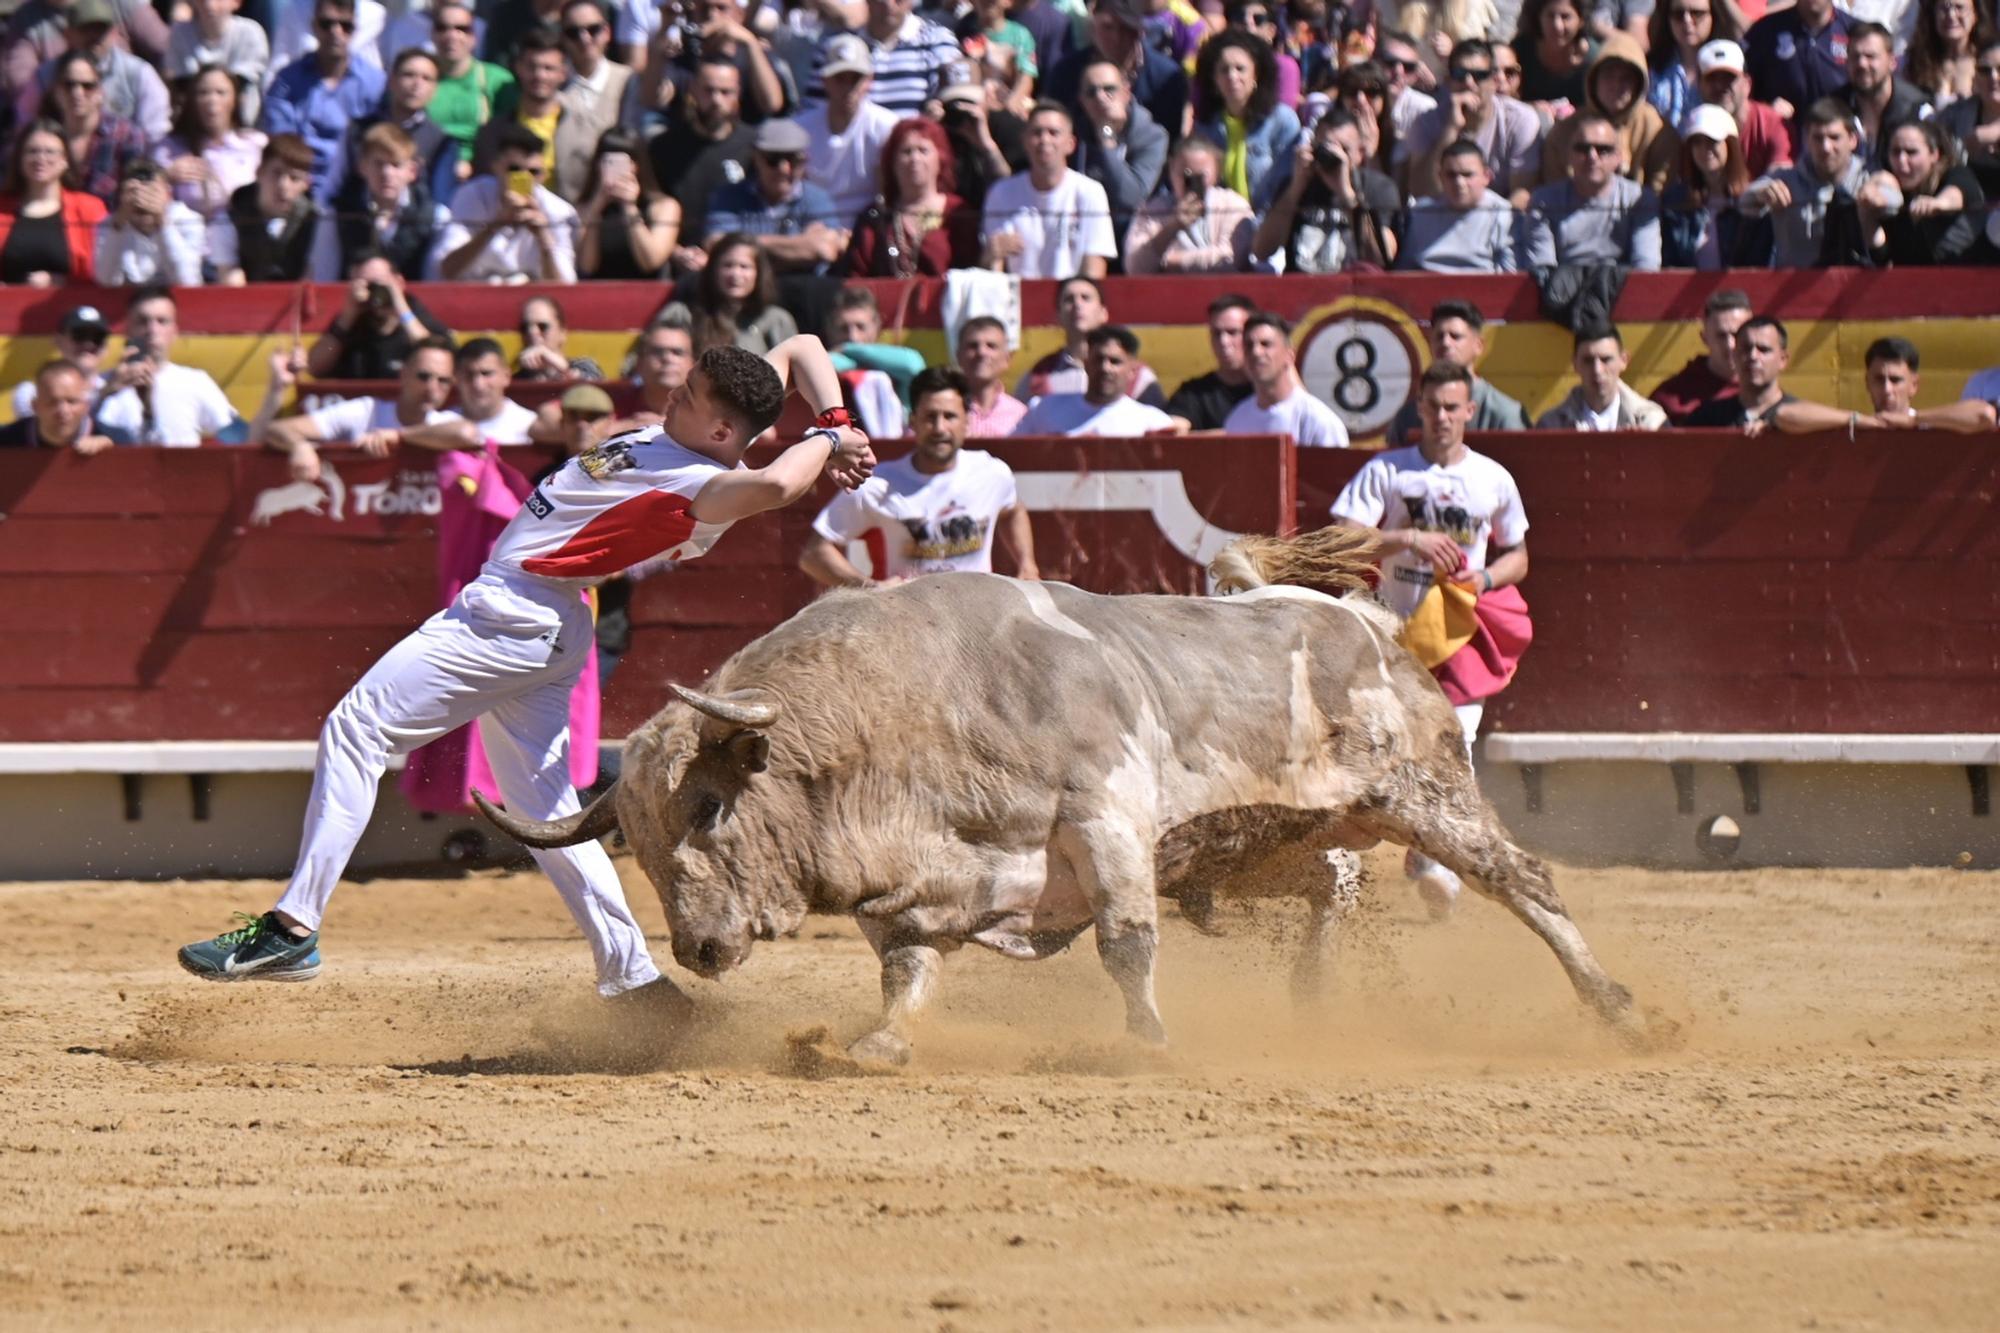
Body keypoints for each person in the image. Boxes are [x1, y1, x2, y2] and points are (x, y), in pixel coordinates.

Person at [174, 335, 878, 1007]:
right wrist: (839, 424)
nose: (671, 393)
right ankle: (631, 976)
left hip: (513, 611)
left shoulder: (705, 485)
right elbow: (802, 347)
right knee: (544, 810)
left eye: (687, 394)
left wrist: (826, 443)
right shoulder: (709, 435)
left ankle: (293, 926)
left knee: (356, 728)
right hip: (549, 621)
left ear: (722, 431)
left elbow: (779, 482)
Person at [1328, 358, 1530, 918]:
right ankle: (1366, 855)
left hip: (1457, 632)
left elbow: (1518, 555)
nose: (1442, 417)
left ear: (1470, 410)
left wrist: (1486, 578)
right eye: (1433, 406)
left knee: (1455, 748)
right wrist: (1407, 539)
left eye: (1452, 407)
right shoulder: (1389, 470)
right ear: (1419, 408)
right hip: (1390, 638)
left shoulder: (1493, 478)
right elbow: (1344, 538)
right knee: (1374, 749)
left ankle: (1436, 861)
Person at [803, 366, 1039, 587]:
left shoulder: (991, 473)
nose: (939, 428)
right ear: (913, 421)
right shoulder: (879, 484)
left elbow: (1013, 509)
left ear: (967, 421)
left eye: (949, 416)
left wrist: (1027, 563)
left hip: (975, 613)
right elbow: (813, 554)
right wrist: (871, 589)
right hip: (910, 615)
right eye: (930, 417)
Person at [263, 336, 476, 483]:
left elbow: (466, 434)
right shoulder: (366, 411)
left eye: (443, 380)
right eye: (423, 376)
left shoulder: (447, 422)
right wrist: (299, 446)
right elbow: (278, 429)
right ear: (403, 374)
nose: (432, 387)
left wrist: (397, 436)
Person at [261, 0, 387, 204]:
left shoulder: (375, 83)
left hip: (356, 190)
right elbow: (282, 142)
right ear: (313, 27)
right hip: (299, 186)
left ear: (355, 29)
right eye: (326, 24)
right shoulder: (287, 82)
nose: (336, 32)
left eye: (345, 26)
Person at [1251, 106, 1401, 271]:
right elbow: (1261, 250)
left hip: (1356, 285)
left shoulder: (1378, 187)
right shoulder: (1296, 184)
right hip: (1302, 284)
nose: (1335, 155)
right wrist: (1295, 189)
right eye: (1325, 147)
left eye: (1344, 149)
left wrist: (1347, 194)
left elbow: (1382, 256)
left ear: (1360, 152)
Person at [427, 122, 579, 282]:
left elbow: (566, 287)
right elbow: (444, 271)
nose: (524, 178)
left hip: (531, 294)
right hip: (478, 292)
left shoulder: (558, 211)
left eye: (533, 172)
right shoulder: (471, 196)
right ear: (496, 167)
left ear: (543, 176)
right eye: (514, 169)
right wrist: (493, 227)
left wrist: (544, 239)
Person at [982, 101, 1118, 278]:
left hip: (1069, 293)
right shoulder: (1001, 193)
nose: (1044, 140)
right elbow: (994, 266)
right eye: (1037, 133)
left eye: (1053, 133)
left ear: (1070, 144)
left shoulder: (1090, 192)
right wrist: (990, 255)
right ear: (1025, 141)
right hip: (1016, 293)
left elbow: (1094, 269)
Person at [1399, 39, 1545, 205]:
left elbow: (1522, 192)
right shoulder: (1426, 122)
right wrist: (1451, 129)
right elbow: (1421, 191)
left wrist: (1495, 220)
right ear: (1448, 81)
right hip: (1444, 215)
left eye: (1479, 76)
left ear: (1493, 81)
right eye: (1460, 75)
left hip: (1501, 216)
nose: (1469, 83)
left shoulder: (1520, 119)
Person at [94, 286, 243, 446]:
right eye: (142, 321)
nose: (152, 330)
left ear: (175, 331)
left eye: (162, 321)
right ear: (128, 330)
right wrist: (107, 392)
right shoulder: (101, 383)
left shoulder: (194, 381)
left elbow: (239, 438)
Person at [1738, 98, 1876, 266]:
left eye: (1834, 137)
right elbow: (1744, 201)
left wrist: (1878, 196)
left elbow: (1893, 198)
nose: (1826, 147)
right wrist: (1762, 194)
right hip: (1795, 280)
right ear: (1807, 140)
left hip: (1856, 280)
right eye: (1818, 138)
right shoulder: (1787, 179)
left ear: (1853, 139)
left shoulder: (1867, 177)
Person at [1539, 31, 1681, 192]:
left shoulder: (1658, 132)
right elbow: (1554, 191)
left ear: (1639, 84)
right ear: (1594, 80)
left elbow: (1660, 192)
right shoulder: (1564, 132)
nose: (1616, 85)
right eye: (1608, 76)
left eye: (1626, 78)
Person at [1519, 110, 1664, 269]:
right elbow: (1542, 268)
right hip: (1560, 283)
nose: (1592, 156)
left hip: (1623, 283)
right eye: (1582, 148)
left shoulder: (1639, 200)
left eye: (1603, 149)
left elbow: (1646, 266)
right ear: (1569, 155)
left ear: (1618, 157)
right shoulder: (1543, 201)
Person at [646, 54, 756, 263]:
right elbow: (651, 208)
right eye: (709, 90)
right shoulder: (663, 147)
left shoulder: (753, 147)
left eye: (725, 92)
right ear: (693, 89)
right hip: (678, 260)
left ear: (738, 93)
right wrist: (676, 252)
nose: (716, 100)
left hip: (735, 264)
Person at [469, 25, 594, 204]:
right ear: (518, 68)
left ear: (563, 73)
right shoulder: (492, 133)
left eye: (548, 68)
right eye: (531, 67)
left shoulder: (586, 129)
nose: (539, 75)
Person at [1772, 335, 2000, 433]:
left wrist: (1913, 420)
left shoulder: (1929, 426)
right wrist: (1858, 420)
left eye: (1896, 380)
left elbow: (1985, 415)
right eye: (1879, 379)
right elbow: (1784, 415)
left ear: (1914, 385)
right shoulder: (1857, 425)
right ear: (1867, 382)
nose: (1887, 390)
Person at [843, 115, 983, 275]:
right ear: (892, 162)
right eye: (906, 151)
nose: (914, 159)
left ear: (940, 159)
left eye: (923, 150)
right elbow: (856, 276)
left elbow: (971, 272)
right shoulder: (875, 218)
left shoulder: (958, 212)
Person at [703, 117, 846, 270]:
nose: (784, 169)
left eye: (793, 159)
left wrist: (745, 245)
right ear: (756, 158)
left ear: (805, 160)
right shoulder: (728, 198)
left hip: (806, 283)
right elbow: (717, 246)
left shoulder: (818, 199)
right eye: (773, 159)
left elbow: (826, 249)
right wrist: (803, 245)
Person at [316, 120, 449, 282]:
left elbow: (435, 283)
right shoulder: (338, 214)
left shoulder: (436, 217)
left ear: (412, 171)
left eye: (396, 165)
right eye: (378, 164)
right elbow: (323, 278)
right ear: (362, 166)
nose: (387, 173)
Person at [1044, 0, 1191, 146]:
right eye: (1107, 27)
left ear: (1141, 31)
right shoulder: (1066, 73)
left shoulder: (1166, 78)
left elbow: (1171, 141)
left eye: (1126, 29)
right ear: (1093, 25)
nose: (1116, 38)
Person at [1385, 301, 1533, 445]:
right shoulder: (1408, 416)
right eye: (1439, 336)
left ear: (1478, 346)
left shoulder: (1505, 413)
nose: (1446, 343)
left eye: (1455, 336)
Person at [27, 0, 170, 144]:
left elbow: (156, 135)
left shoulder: (139, 73)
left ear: (114, 32)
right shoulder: (45, 76)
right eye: (85, 29)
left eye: (101, 29)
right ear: (68, 34)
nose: (94, 36)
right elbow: (25, 126)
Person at [1013, 275, 1170, 406]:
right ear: (1058, 316)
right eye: (1069, 299)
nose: (1077, 304)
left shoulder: (1137, 375)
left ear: (1103, 313)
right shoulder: (1037, 378)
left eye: (1086, 298)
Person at [1192, 29, 1303, 210]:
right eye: (1224, 70)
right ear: (1214, 80)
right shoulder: (1205, 126)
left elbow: (1287, 188)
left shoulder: (1282, 120)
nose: (1232, 76)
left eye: (1240, 69)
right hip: (1219, 221)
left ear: (1256, 75)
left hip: (1268, 220)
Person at [797, 34, 902, 221]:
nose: (848, 88)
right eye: (840, 79)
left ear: (869, 80)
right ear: (825, 81)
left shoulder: (887, 127)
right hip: (814, 225)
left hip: (868, 226)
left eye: (855, 79)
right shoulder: (801, 129)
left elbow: (888, 195)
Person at [345, 47, 460, 209]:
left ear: (435, 89)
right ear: (391, 80)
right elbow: (337, 183)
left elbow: (441, 201)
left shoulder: (441, 141)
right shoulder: (359, 129)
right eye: (409, 75)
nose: (416, 84)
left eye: (426, 78)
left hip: (416, 220)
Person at [1122, 134, 1256, 272]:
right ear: (1171, 169)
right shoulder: (1152, 211)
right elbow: (1134, 267)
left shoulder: (1233, 205)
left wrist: (1167, 261)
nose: (1191, 183)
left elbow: (1230, 258)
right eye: (1185, 175)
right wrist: (1173, 227)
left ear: (1217, 172)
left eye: (1200, 176)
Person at [1660, 102, 1773, 265]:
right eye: (1697, 142)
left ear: (1730, 145)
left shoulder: (1754, 202)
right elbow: (1671, 261)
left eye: (1712, 141)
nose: (1704, 149)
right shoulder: (1675, 202)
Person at [152, 64, 265, 226]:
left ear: (236, 99)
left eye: (221, 92)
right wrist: (166, 176)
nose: (212, 100)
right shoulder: (169, 148)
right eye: (203, 93)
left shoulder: (256, 144)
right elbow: (148, 191)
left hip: (242, 231)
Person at [306, 254, 452, 379]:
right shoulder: (350, 322)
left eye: (378, 283)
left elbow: (433, 357)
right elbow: (314, 367)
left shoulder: (418, 317)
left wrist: (401, 308)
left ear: (399, 282)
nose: (373, 292)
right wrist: (346, 317)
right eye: (366, 286)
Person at [1073, 57, 1170, 244]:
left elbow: (1131, 198)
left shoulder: (1153, 136)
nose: (1100, 97)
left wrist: (1106, 136)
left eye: (1109, 89)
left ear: (1126, 92)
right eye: (1091, 92)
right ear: (1082, 101)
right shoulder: (1072, 134)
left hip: (1133, 236)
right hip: (1083, 234)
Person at [0, 117, 107, 285]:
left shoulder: (90, 209)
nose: (40, 158)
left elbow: (105, 272)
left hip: (69, 299)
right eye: (32, 151)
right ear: (20, 158)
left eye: (50, 152)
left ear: (65, 160)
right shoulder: (2, 207)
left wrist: (59, 282)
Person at [1012, 326, 1176, 435]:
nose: (1105, 368)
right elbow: (1014, 457)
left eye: (1115, 361)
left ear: (1132, 370)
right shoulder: (1044, 410)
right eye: (1098, 359)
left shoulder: (1152, 423)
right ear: (1085, 363)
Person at [809, 0, 962, 115]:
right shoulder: (836, 48)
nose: (888, 4)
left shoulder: (937, 42)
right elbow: (813, 112)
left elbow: (954, 106)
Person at [1866, 117, 1987, 261]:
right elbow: (1882, 255)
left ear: (1934, 154)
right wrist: (1865, 208)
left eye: (1911, 152)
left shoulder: (1956, 173)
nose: (1901, 160)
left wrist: (1937, 204)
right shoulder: (1892, 188)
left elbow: (1956, 194)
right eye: (1895, 152)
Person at [658, 233, 800, 355]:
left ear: (758, 273)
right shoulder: (682, 315)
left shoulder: (776, 320)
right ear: (713, 271)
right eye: (727, 265)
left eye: (744, 267)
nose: (735, 274)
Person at [209, 133, 322, 284]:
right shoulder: (228, 220)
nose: (283, 185)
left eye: (294, 178)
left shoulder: (317, 222)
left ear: (306, 184)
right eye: (276, 173)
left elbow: (312, 278)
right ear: (259, 172)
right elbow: (230, 281)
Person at [1220, 313, 1350, 445]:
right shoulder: (1237, 420)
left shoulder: (1317, 420)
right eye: (1249, 346)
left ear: (1289, 355)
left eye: (1266, 344)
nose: (1256, 352)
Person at [1745, 0, 1856, 150]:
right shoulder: (1765, 31)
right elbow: (1742, 91)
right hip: (1784, 148)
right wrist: (1766, 110)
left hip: (1837, 148)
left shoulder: (1853, 31)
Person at [45, 49, 147, 207]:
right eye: (69, 85)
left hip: (110, 221)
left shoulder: (126, 135)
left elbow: (138, 192)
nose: (77, 92)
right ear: (57, 91)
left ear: (100, 92)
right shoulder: (43, 138)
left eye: (87, 86)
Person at [1398, 139, 1519, 272]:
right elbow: (1404, 269)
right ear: (1440, 177)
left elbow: (1510, 273)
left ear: (1487, 177)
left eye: (1467, 175)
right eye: (1451, 175)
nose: (1459, 183)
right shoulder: (1421, 213)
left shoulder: (1503, 214)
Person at [575, 126, 679, 278]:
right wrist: (596, 207)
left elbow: (651, 262)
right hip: (601, 287)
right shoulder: (584, 208)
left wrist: (629, 207)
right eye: (609, 162)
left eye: (624, 162)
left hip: (648, 289)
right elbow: (586, 266)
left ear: (637, 164)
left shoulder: (664, 207)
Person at [428, 1, 514, 170]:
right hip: (428, 166)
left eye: (462, 29)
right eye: (442, 28)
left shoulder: (497, 79)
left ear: (474, 37)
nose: (451, 35)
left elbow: (512, 133)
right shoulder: (420, 77)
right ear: (432, 34)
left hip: (483, 169)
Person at [93, 155, 204, 285]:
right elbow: (105, 279)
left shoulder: (189, 220)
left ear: (168, 193)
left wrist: (163, 222)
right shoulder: (112, 224)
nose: (142, 198)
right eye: (134, 191)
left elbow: (187, 280)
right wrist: (119, 227)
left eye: (153, 191)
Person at [1839, 20, 1936, 168]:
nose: (1862, 64)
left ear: (1892, 62)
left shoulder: (1918, 110)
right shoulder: (1836, 107)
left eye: (1870, 56)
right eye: (1855, 56)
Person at [1650, 286, 1751, 422]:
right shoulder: (1670, 400)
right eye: (1721, 335)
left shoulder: (1766, 394)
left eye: (1737, 334)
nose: (1730, 345)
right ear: (1704, 338)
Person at [1536, 326, 1670, 429]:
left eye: (1606, 359)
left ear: (1624, 361)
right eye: (1588, 360)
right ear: (1575, 364)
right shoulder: (1550, 426)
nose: (1597, 370)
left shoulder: (1652, 423)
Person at [1696, 38, 1793, 179]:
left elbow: (1781, 180)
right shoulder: (1694, 130)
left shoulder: (1773, 124)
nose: (1720, 86)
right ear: (1699, 86)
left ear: (1747, 84)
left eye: (1729, 78)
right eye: (1712, 78)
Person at [165, 0, 271, 126]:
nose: (209, 5)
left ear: (236, 2)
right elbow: (179, 83)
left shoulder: (250, 32)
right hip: (194, 124)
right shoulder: (180, 32)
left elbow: (242, 83)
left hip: (241, 122)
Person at [558, 0, 632, 176]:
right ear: (563, 38)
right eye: (573, 32)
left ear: (607, 32)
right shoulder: (553, 83)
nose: (584, 39)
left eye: (593, 29)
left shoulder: (629, 80)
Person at [1688, 314, 1800, 428]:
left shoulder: (1801, 420)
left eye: (1763, 349)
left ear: (1783, 360)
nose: (1753, 356)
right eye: (1746, 349)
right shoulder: (1706, 418)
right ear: (1734, 356)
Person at [1165, 293, 1255, 431]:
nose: (1224, 341)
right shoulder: (1193, 393)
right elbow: (1174, 432)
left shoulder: (1269, 392)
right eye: (1217, 333)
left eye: (1232, 332)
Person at [1648, 0, 1742, 130]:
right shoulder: (1652, 68)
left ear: (1713, 15)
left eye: (1697, 13)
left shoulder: (1730, 65)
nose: (1687, 21)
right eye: (1678, 14)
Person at [0, 360, 128, 451]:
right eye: (52, 402)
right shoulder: (6, 440)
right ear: (35, 406)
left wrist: (111, 454)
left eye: (71, 401)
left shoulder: (117, 440)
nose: (63, 410)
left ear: (86, 404)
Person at [12, 305, 111, 420]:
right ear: (58, 340)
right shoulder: (31, 392)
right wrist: (103, 396)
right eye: (80, 335)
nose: (88, 344)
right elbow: (51, 427)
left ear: (106, 346)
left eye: (97, 337)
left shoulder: (120, 394)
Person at [1940, 35, 2000, 196]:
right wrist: (1965, 144)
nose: (1994, 77)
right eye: (1985, 70)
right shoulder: (1954, 114)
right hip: (1968, 202)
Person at [1513, 0, 1598, 112]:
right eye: (1550, 16)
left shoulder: (1595, 60)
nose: (1557, 26)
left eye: (1565, 17)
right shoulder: (1520, 51)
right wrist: (1529, 108)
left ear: (1581, 20)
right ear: (1539, 17)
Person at [1905, 0, 1993, 106]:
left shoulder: (1988, 62)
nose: (1951, 15)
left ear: (1975, 14)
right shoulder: (1916, 61)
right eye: (1944, 9)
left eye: (1959, 8)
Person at [955, 315, 1029, 436]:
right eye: (973, 346)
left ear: (1007, 359)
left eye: (991, 346)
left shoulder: (1021, 416)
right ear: (958, 356)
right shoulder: (942, 410)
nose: (981, 352)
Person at [516, 296, 606, 383]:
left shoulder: (586, 367)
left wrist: (563, 369)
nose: (532, 332)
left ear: (562, 333)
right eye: (525, 328)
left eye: (542, 326)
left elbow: (596, 386)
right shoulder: (516, 381)